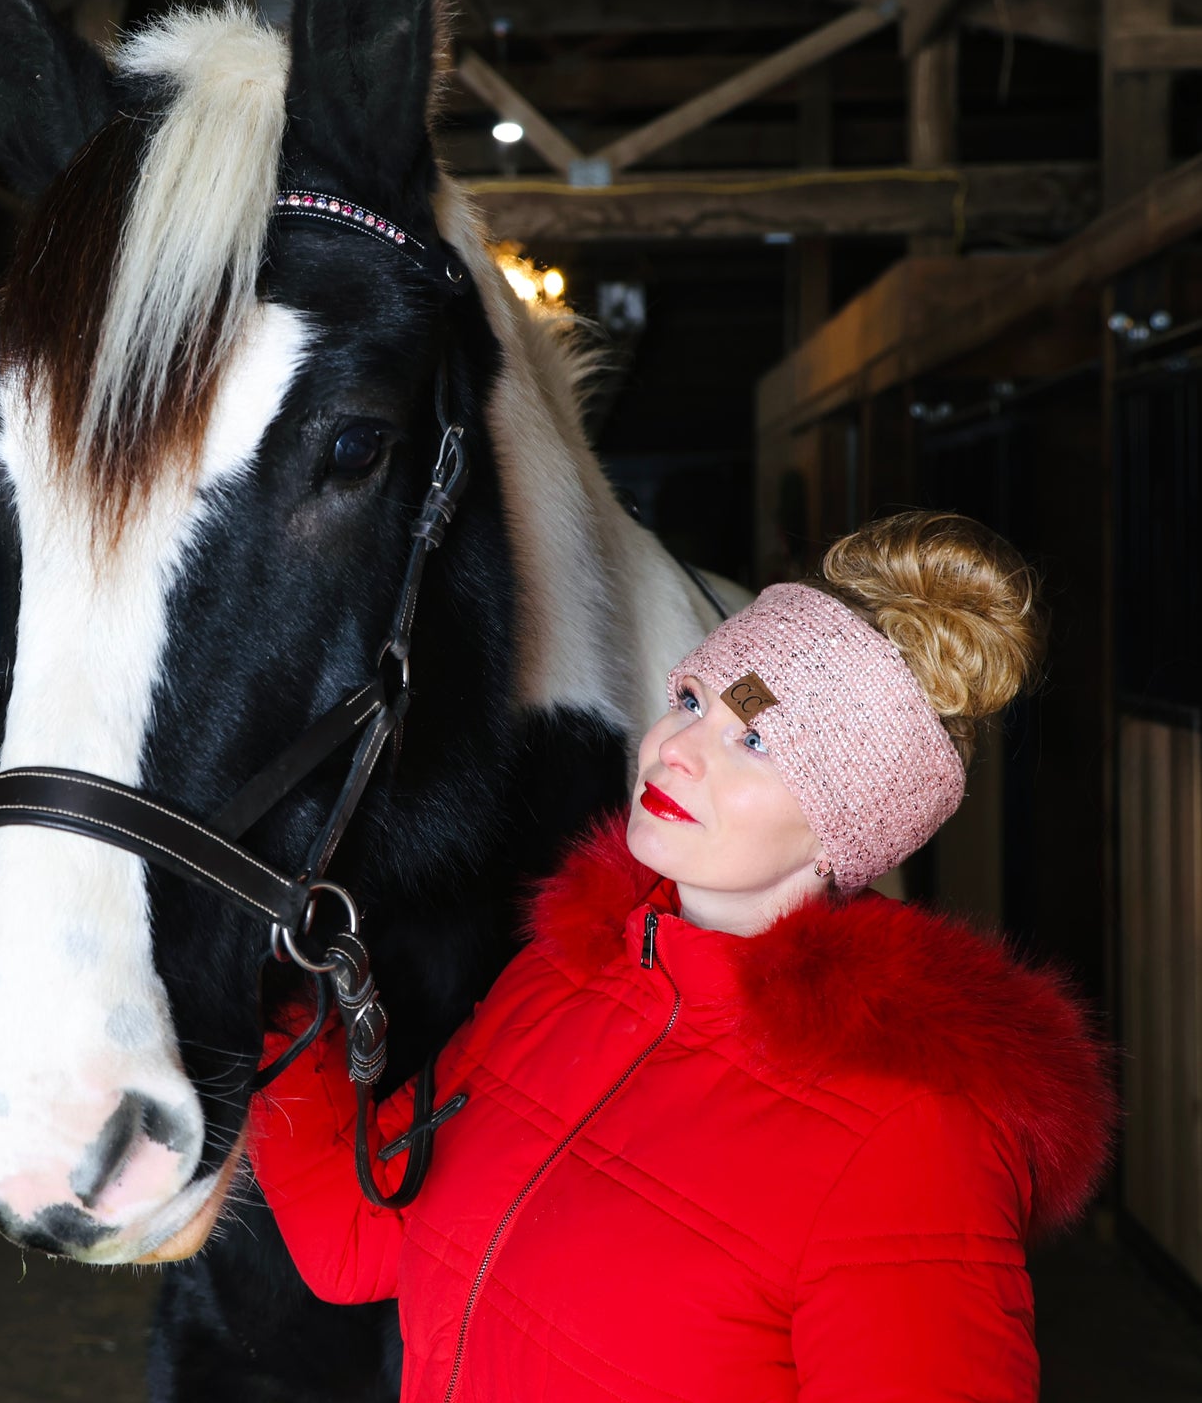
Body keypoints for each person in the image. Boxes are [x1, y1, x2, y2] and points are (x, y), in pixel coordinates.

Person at [247, 510, 1114, 1403]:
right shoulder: (561, 977)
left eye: (753, 740)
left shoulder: (909, 1141)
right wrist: (268, 967)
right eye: (691, 700)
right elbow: (358, 1233)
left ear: (843, 827)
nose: (676, 750)